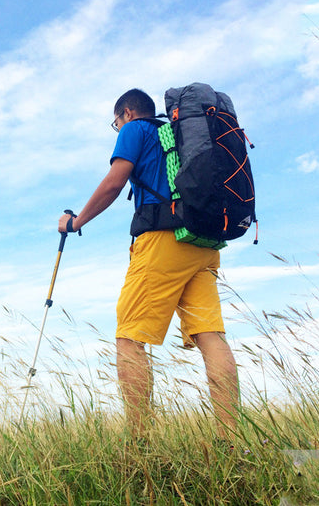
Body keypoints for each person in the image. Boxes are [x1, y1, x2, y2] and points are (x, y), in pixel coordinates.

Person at [58, 89, 238, 441]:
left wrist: (75, 222)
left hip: (160, 241)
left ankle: (139, 443)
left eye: (116, 122)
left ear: (127, 112)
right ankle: (231, 439)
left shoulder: (136, 130)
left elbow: (114, 183)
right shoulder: (173, 133)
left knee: (129, 339)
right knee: (211, 336)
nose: (118, 127)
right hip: (201, 242)